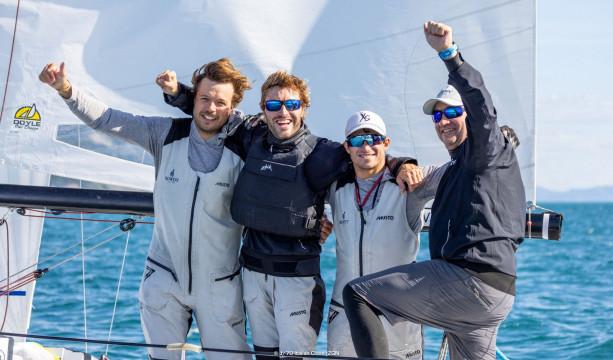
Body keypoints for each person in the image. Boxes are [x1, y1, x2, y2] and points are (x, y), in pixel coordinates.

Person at [163, 71, 418, 359]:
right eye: (274, 106)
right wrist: (177, 94)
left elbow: (369, 155)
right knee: (265, 356)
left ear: (304, 109)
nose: (283, 112)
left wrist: (402, 164)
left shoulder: (323, 154)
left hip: (297, 283)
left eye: (292, 105)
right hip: (254, 277)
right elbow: (213, 113)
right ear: (263, 110)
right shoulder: (251, 135)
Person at [38, 59, 255, 360]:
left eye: (221, 102)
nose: (210, 108)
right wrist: (65, 89)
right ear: (194, 99)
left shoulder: (246, 149)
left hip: (219, 284)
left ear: (233, 108)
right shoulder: (164, 133)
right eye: (204, 98)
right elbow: (107, 119)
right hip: (164, 277)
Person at [342, 21, 525, 360]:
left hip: (468, 281)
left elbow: (482, 106)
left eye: (453, 113)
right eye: (437, 116)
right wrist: (398, 163)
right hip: (496, 293)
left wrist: (449, 54)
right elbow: (402, 170)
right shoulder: (454, 169)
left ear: (469, 118)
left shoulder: (487, 150)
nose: (444, 121)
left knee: (358, 295)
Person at [326, 110, 447, 359]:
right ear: (347, 147)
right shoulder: (336, 189)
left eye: (374, 139)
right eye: (358, 140)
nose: (366, 146)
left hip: (398, 314)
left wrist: (493, 144)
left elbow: (454, 171)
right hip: (345, 315)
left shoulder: (409, 184)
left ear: (386, 143)